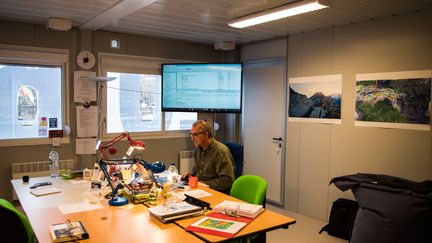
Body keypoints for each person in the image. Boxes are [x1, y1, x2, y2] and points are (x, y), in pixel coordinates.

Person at [182, 120, 235, 194]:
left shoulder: (220, 151)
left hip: (216, 193)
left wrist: (205, 184)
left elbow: (227, 181)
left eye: (195, 135)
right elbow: (196, 172)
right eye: (191, 134)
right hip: (201, 190)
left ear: (206, 135)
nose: (192, 138)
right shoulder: (198, 149)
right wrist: (190, 175)